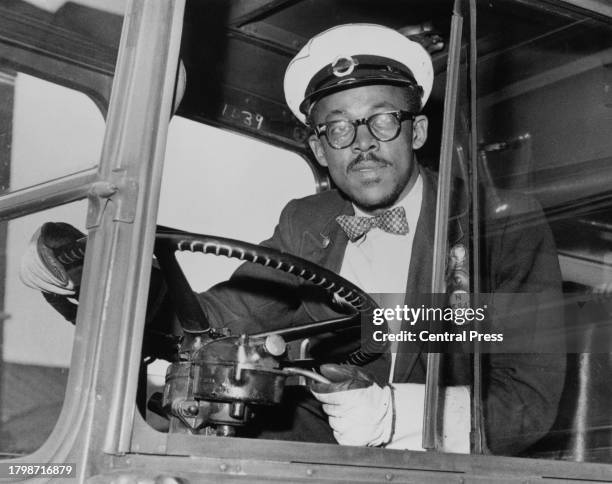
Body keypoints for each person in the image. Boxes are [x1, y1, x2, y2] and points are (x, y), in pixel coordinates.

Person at [20, 24, 564, 455]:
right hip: (329, 455)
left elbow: (528, 402)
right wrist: (104, 290)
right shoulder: (309, 219)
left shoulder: (497, 226)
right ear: (320, 149)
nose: (363, 145)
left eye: (381, 121)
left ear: (416, 131)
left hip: (442, 465)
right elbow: (227, 316)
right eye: (339, 129)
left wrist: (390, 411)